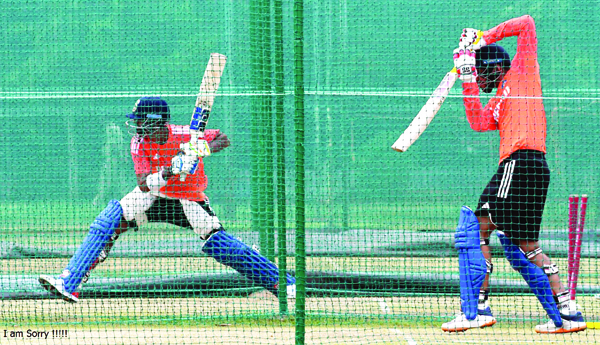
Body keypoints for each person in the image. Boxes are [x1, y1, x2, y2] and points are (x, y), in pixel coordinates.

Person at [39, 96, 296, 302]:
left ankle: (285, 284)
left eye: (140, 121)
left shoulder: (186, 134)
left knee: (220, 244)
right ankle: (69, 281)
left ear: (155, 121)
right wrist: (171, 169)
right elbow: (142, 182)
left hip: (189, 199)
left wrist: (198, 149)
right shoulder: (139, 143)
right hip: (154, 195)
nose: (136, 126)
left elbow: (222, 139)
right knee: (109, 220)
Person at [441, 15, 586, 334]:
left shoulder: (523, 70)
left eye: (478, 71)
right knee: (528, 245)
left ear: (494, 65)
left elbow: (528, 23)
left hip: (520, 163)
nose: (478, 77)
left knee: (475, 229)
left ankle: (477, 307)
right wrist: (465, 77)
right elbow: (477, 121)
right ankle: (567, 310)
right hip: (532, 168)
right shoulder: (495, 102)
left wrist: (483, 38)